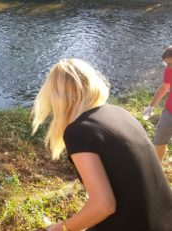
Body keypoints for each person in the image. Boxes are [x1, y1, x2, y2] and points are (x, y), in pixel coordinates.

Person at [31, 58, 172, 230]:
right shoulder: (120, 112)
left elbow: (104, 205)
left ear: (58, 95)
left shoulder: (78, 132)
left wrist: (61, 228)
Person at [142, 45, 172, 161]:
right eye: (166, 64)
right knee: (159, 141)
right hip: (169, 112)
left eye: (170, 63)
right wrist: (151, 106)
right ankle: (157, 169)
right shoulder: (169, 70)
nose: (168, 67)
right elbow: (164, 87)